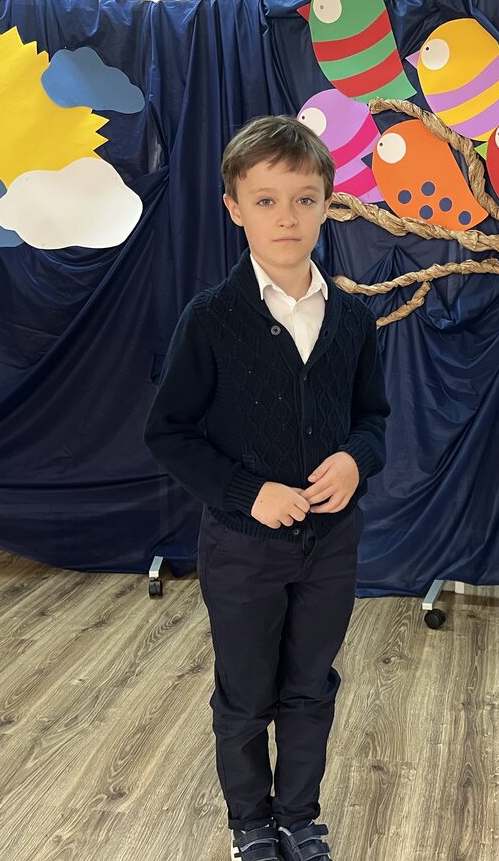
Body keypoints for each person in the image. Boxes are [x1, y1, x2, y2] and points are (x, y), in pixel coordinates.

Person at [145, 115, 389, 861]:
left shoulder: (352, 318)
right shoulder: (211, 319)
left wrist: (357, 459)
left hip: (331, 547)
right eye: (266, 201)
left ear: (328, 206)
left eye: (304, 200)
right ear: (235, 209)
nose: (287, 218)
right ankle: (249, 822)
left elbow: (373, 419)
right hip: (243, 549)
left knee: (311, 685)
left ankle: (298, 817)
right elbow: (169, 432)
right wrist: (247, 491)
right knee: (247, 692)